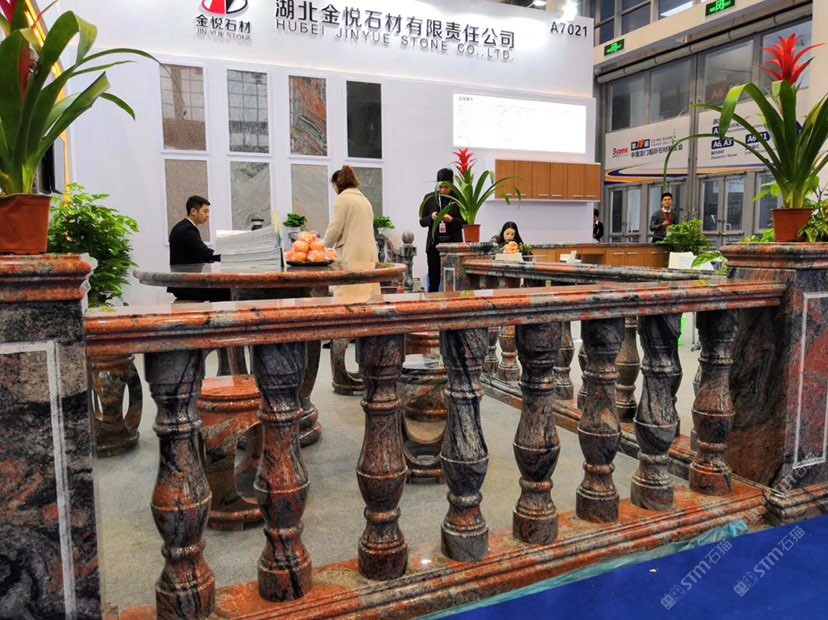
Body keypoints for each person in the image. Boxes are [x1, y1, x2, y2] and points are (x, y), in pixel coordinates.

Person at [323, 165, 380, 298]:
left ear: (336, 184)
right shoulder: (364, 200)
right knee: (367, 292)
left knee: (348, 293)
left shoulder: (342, 199)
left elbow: (335, 228)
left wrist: (322, 248)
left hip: (351, 253)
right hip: (369, 254)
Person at [168, 195, 229, 302]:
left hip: (182, 283)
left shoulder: (182, 227)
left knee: (224, 288)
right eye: (205, 211)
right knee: (230, 290)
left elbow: (199, 253)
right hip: (188, 285)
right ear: (193, 211)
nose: (208, 215)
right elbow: (204, 253)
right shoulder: (187, 229)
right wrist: (228, 257)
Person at [419, 167, 465, 292]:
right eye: (440, 187)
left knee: (453, 282)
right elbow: (422, 221)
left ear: (452, 186)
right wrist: (431, 217)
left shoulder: (460, 199)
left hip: (453, 246)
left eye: (446, 187)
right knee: (433, 281)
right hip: (434, 245)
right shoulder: (429, 198)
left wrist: (452, 220)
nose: (443, 190)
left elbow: (466, 223)